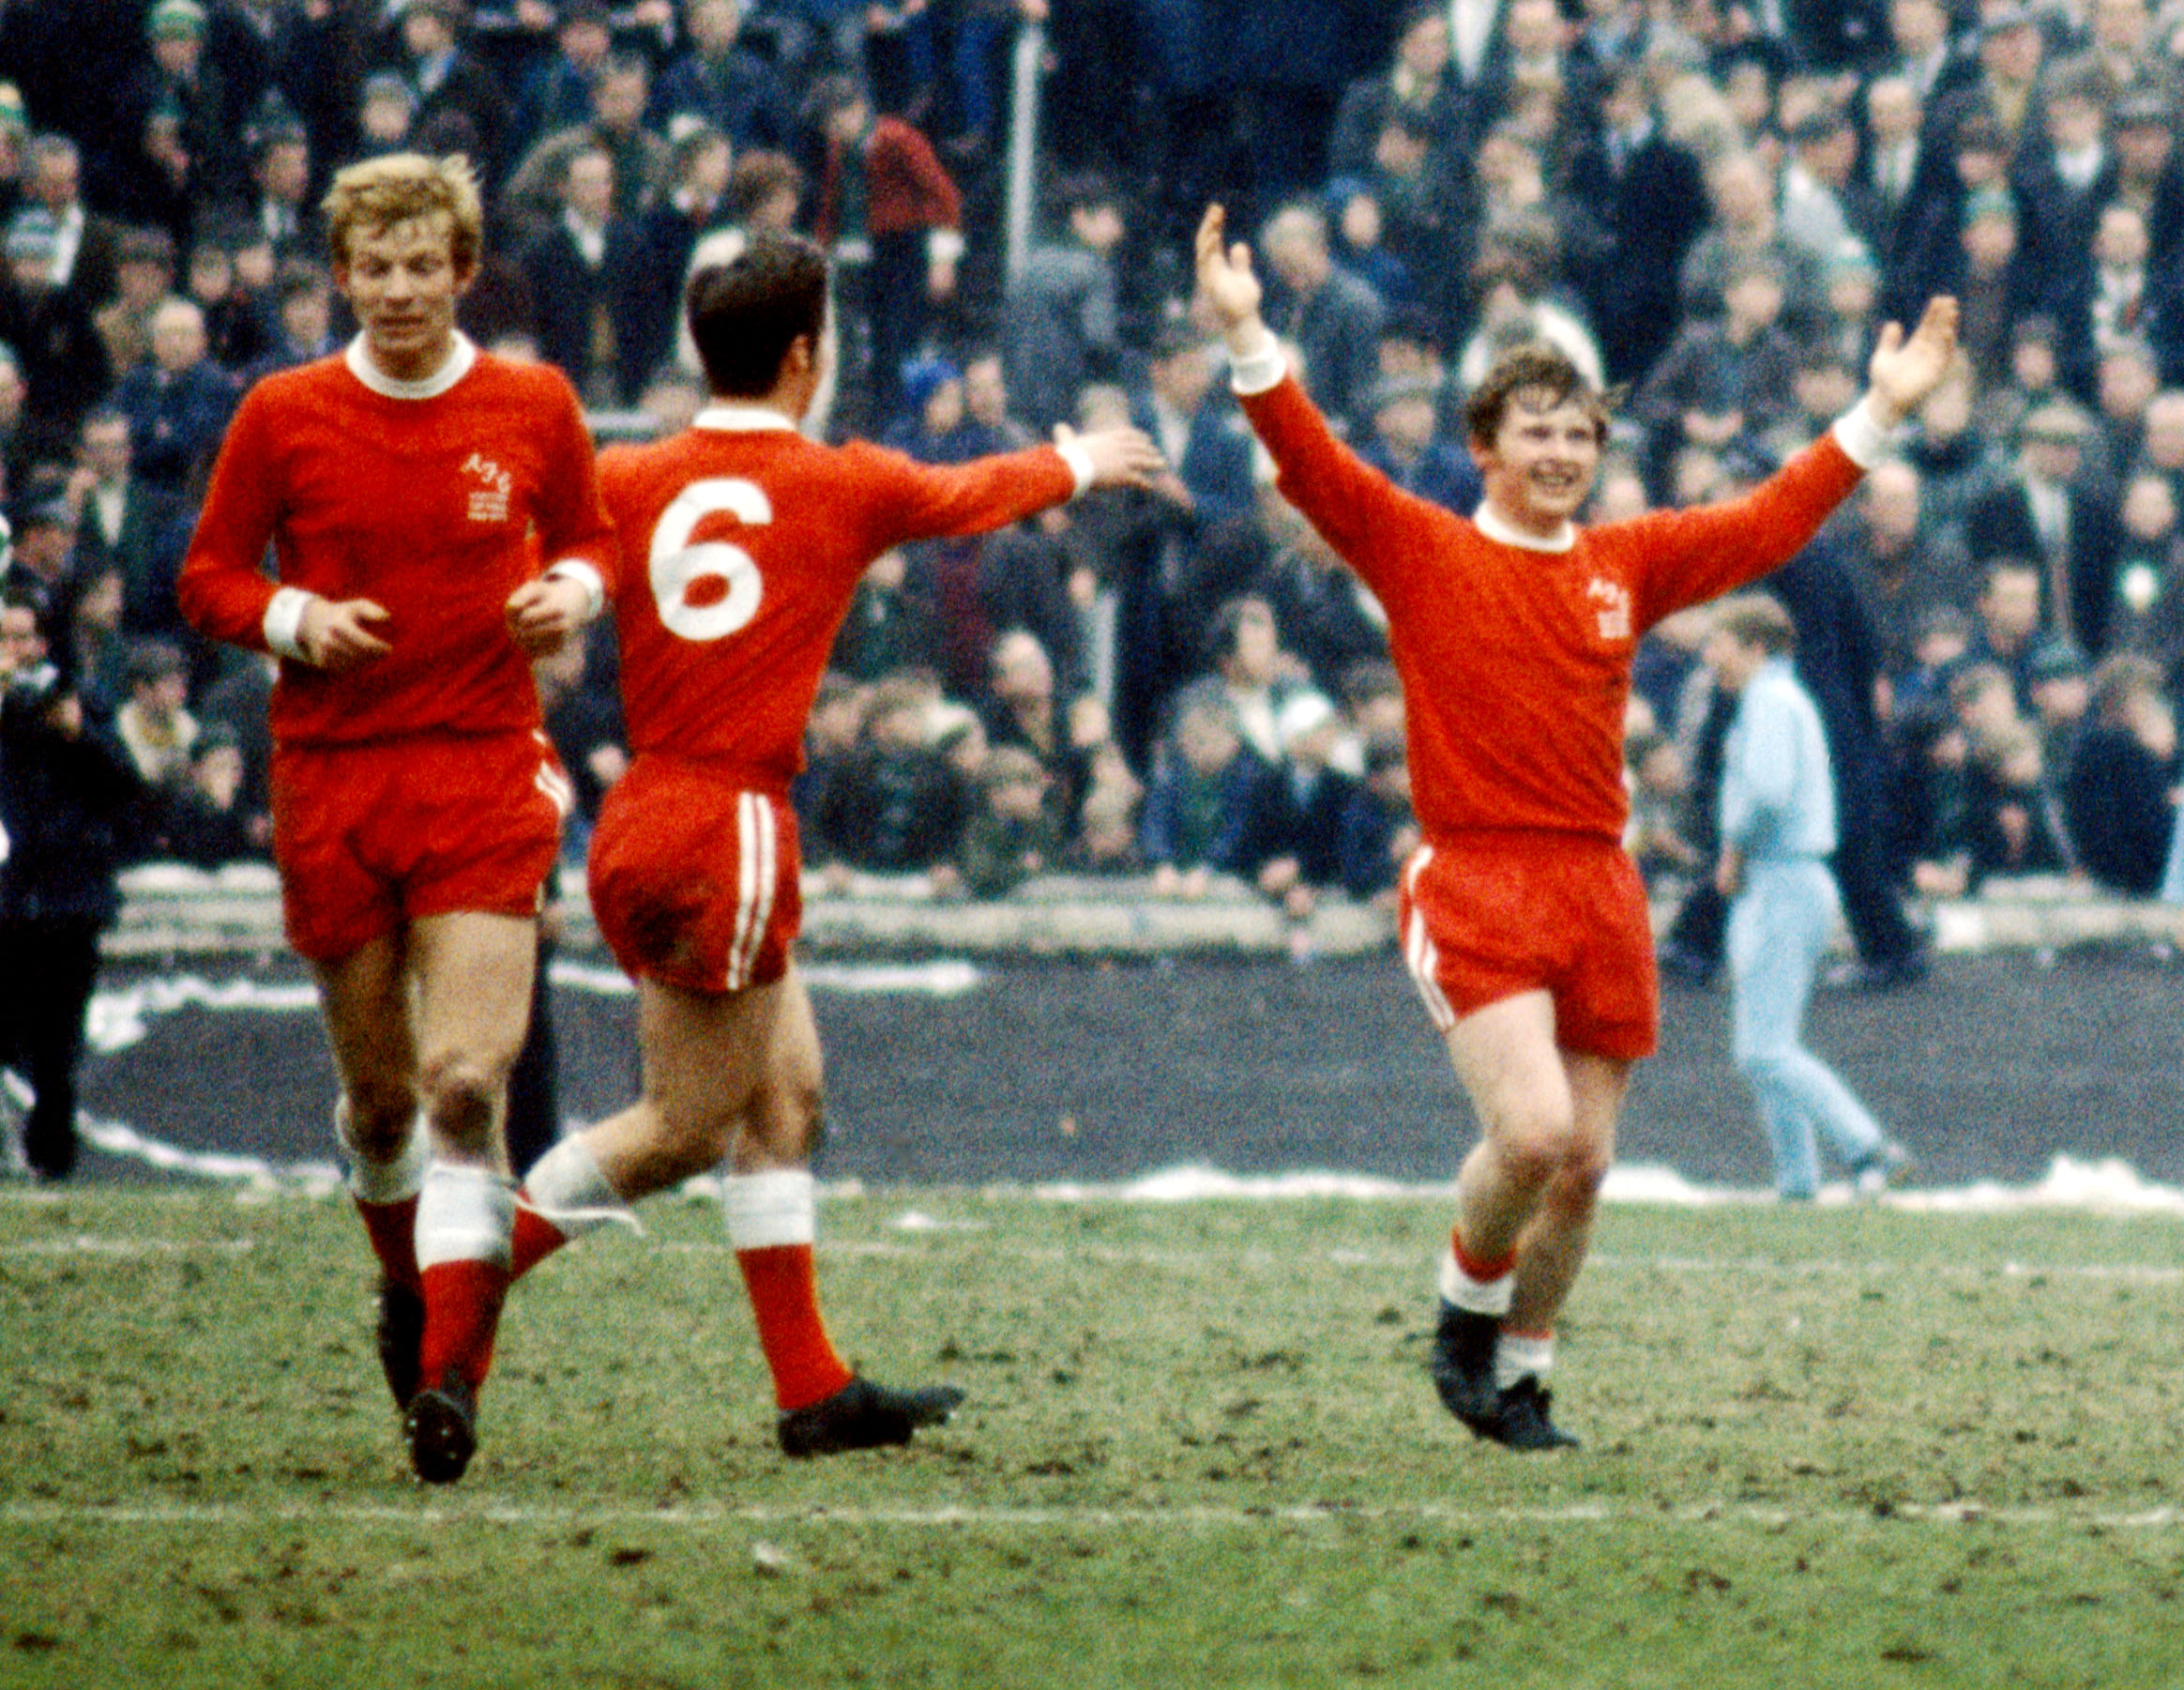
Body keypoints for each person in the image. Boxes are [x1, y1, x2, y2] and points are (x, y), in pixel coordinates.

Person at [1193, 202, 1959, 1451]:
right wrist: (1244, 337)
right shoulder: (1425, 548)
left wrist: (1879, 411)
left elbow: (1767, 522)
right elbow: (1315, 464)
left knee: (1588, 1166)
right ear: (1483, 446)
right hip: (1477, 877)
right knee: (1534, 1134)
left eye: (1579, 435)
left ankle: (1524, 1378)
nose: (1561, 452)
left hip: (1598, 885)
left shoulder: (1623, 562)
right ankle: (1463, 1313)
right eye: (1536, 432)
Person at [494, 232, 1161, 1457]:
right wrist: (1082, 457)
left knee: (786, 1094)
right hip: (728, 821)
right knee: (682, 1126)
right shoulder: (835, 478)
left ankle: (811, 1388)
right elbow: (967, 496)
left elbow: (544, 569)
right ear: (805, 355)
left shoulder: (628, 469)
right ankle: (457, 1284)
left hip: (646, 808)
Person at [175, 153, 616, 1484]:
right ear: (342, 276)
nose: (402, 289)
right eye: (376, 267)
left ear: (464, 270)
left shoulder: (533, 401)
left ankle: (450, 1370)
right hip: (332, 776)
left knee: (465, 1085)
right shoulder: (284, 410)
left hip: (480, 765)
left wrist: (573, 595)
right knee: (381, 1112)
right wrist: (296, 618)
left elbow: (593, 539)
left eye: (425, 264)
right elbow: (205, 576)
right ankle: (406, 1281)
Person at [1704, 595, 1914, 1202]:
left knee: (1763, 1050)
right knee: (1771, 1043)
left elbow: (1767, 792)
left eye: (1719, 642)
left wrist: (1733, 846)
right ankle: (1796, 1181)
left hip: (1781, 877)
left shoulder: (1769, 702)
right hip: (1786, 878)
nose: (1710, 655)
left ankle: (1869, 1147)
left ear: (1753, 646)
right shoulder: (1778, 699)